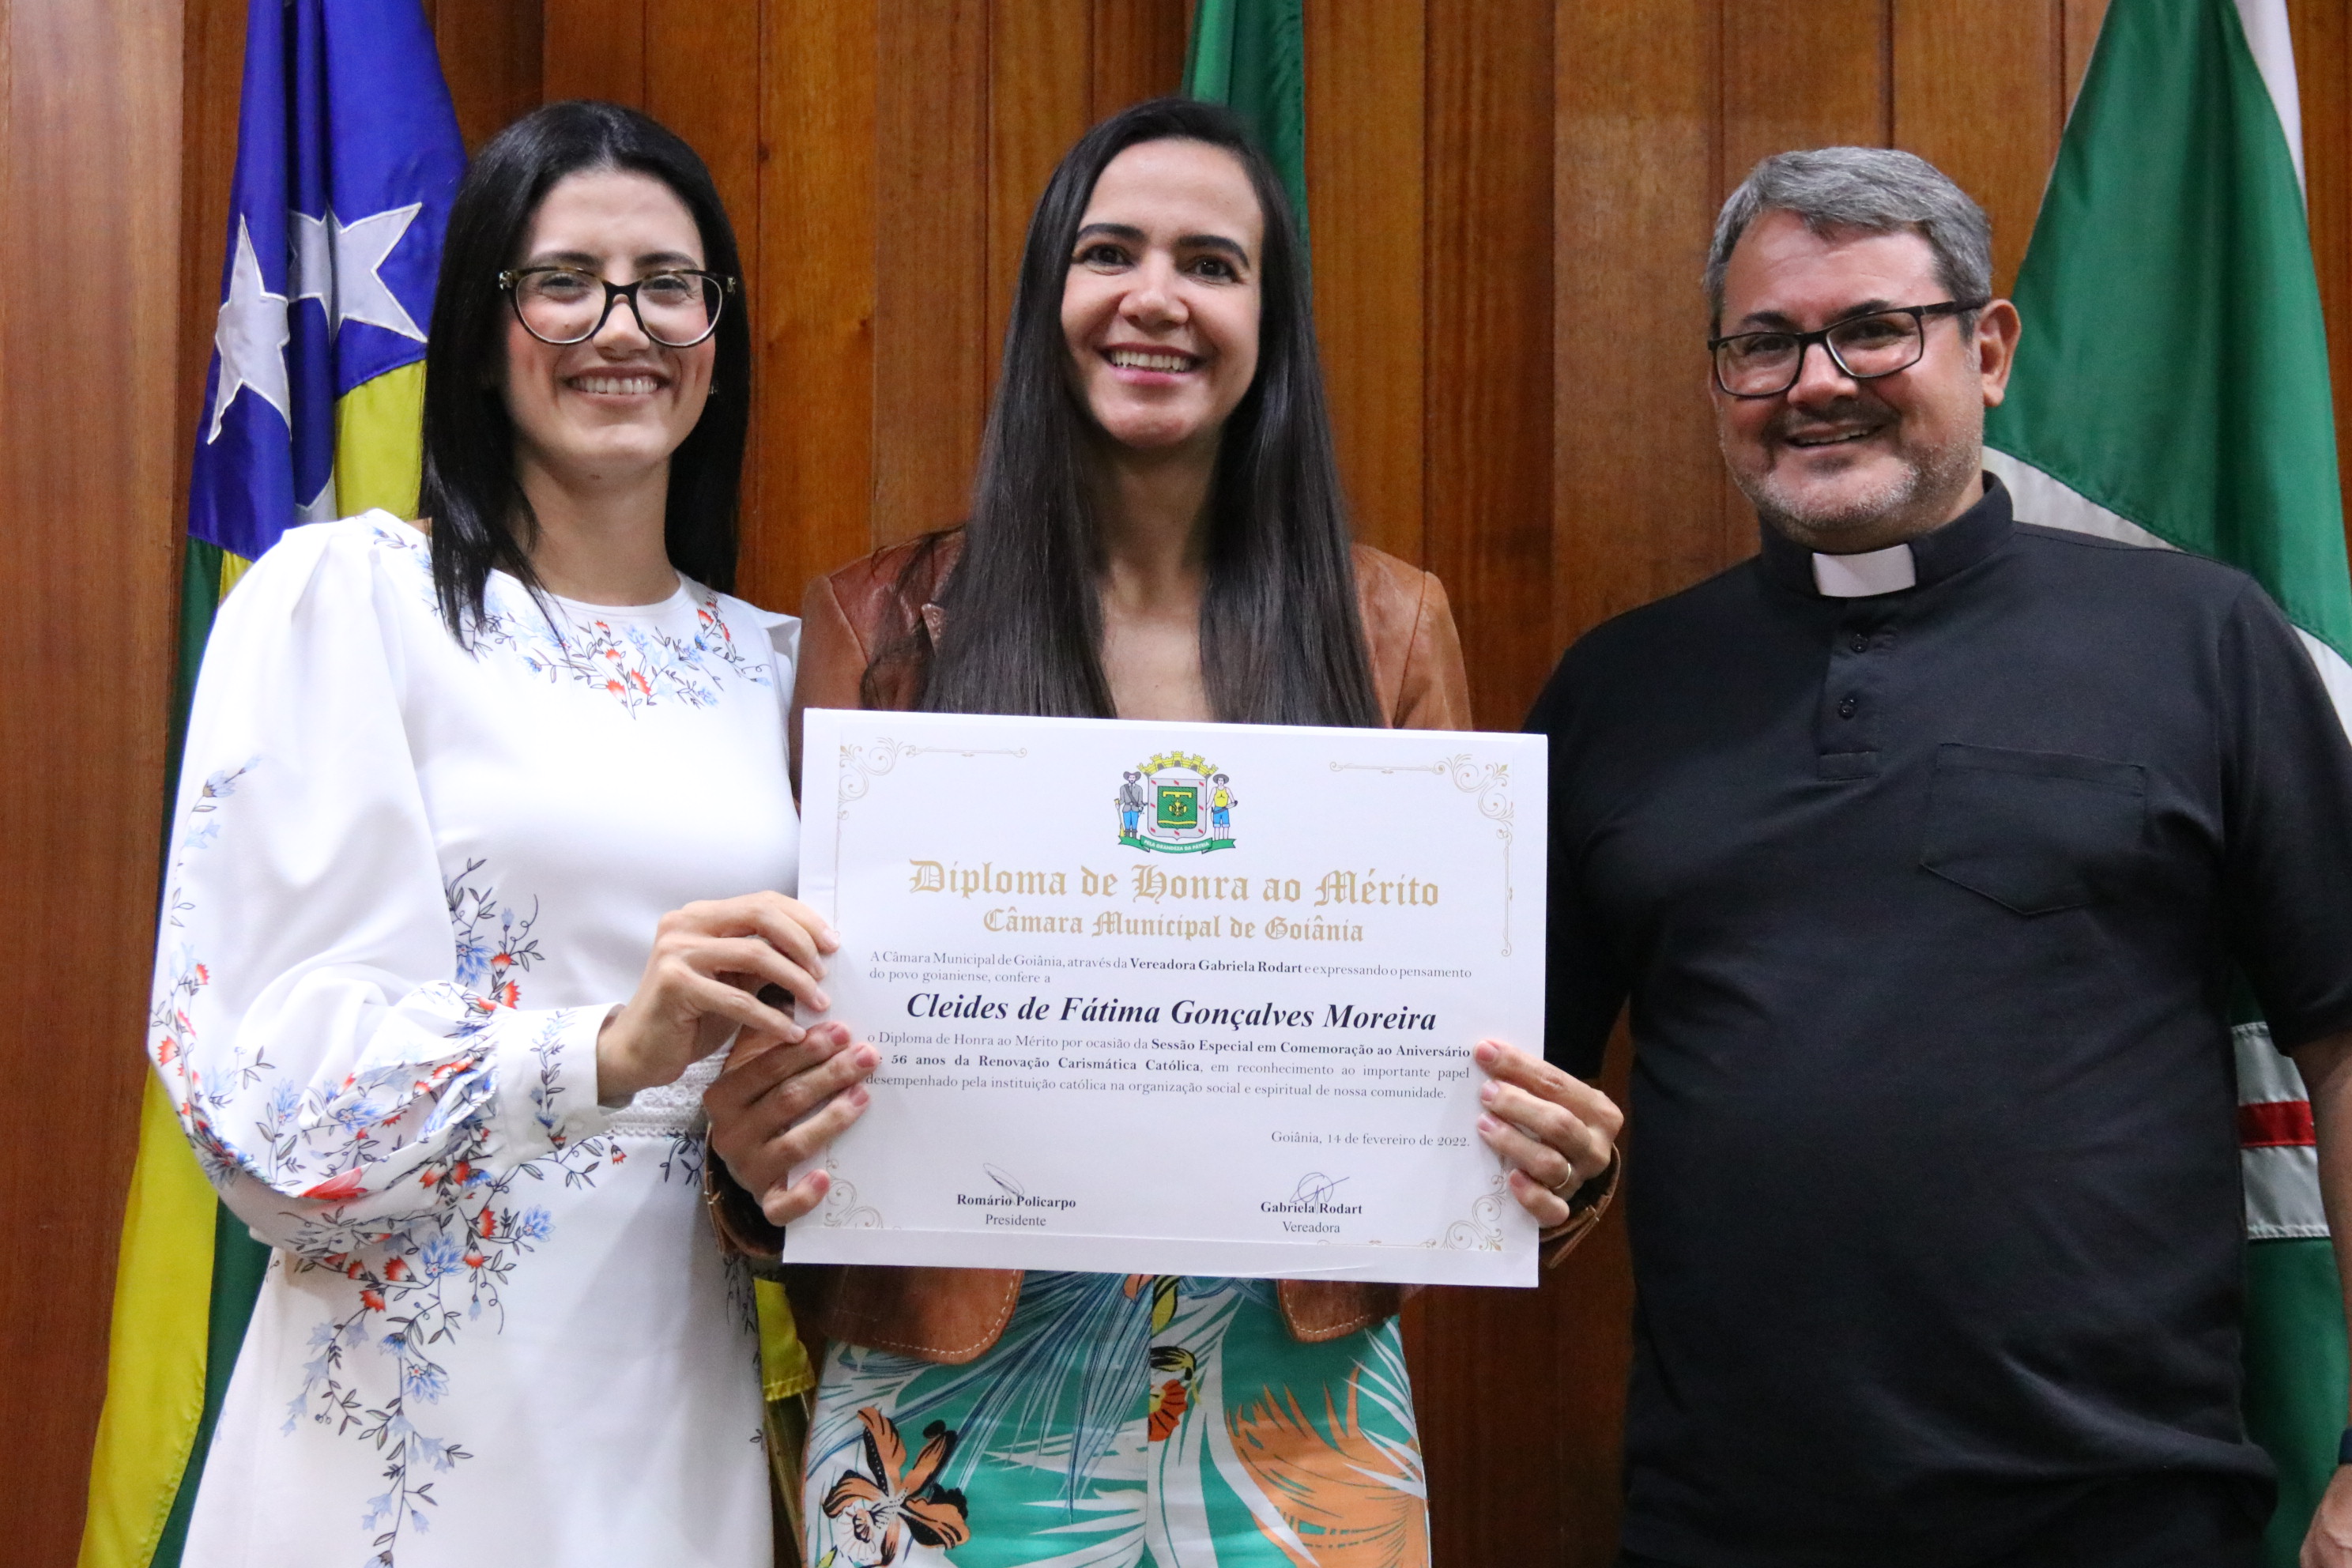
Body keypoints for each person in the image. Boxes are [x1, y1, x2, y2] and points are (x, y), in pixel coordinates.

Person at [698, 97, 1624, 1566]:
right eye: (1109, 252)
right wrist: (754, 1157)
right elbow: (798, 1053)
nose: (1156, 297)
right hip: (943, 1389)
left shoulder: (1389, 626)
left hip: (1294, 1394)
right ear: (1047, 301)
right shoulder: (877, 628)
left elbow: (1450, 1056)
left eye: (1211, 263)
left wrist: (1544, 1163)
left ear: (1270, 321)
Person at [1525, 145, 2352, 1568]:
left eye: (1872, 329)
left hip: (2123, 1517)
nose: (1816, 382)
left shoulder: (2202, 639)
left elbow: (2344, 1038)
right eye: (1764, 343)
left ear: (1992, 349)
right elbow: (1508, 1088)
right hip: (1721, 1522)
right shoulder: (1618, 688)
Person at [148, 101, 846, 1566]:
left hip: (676, 1385)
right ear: (479, 330)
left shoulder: (789, 671)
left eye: (668, 285)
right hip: (400, 1414)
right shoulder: (349, 600)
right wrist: (602, 1049)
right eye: (564, 283)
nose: (621, 327)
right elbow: (257, 1090)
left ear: (717, 336)